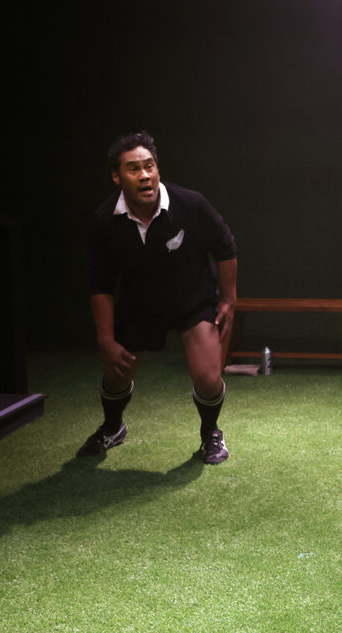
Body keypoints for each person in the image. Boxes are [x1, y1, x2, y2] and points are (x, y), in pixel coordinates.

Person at [78, 131, 236, 464]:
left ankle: (211, 432)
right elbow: (100, 284)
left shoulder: (190, 204)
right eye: (134, 168)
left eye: (149, 166)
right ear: (117, 176)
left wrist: (228, 300)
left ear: (158, 169)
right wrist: (105, 338)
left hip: (193, 302)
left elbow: (225, 248)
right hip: (140, 307)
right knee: (116, 375)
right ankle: (112, 426)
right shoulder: (105, 220)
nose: (145, 175)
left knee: (208, 377)